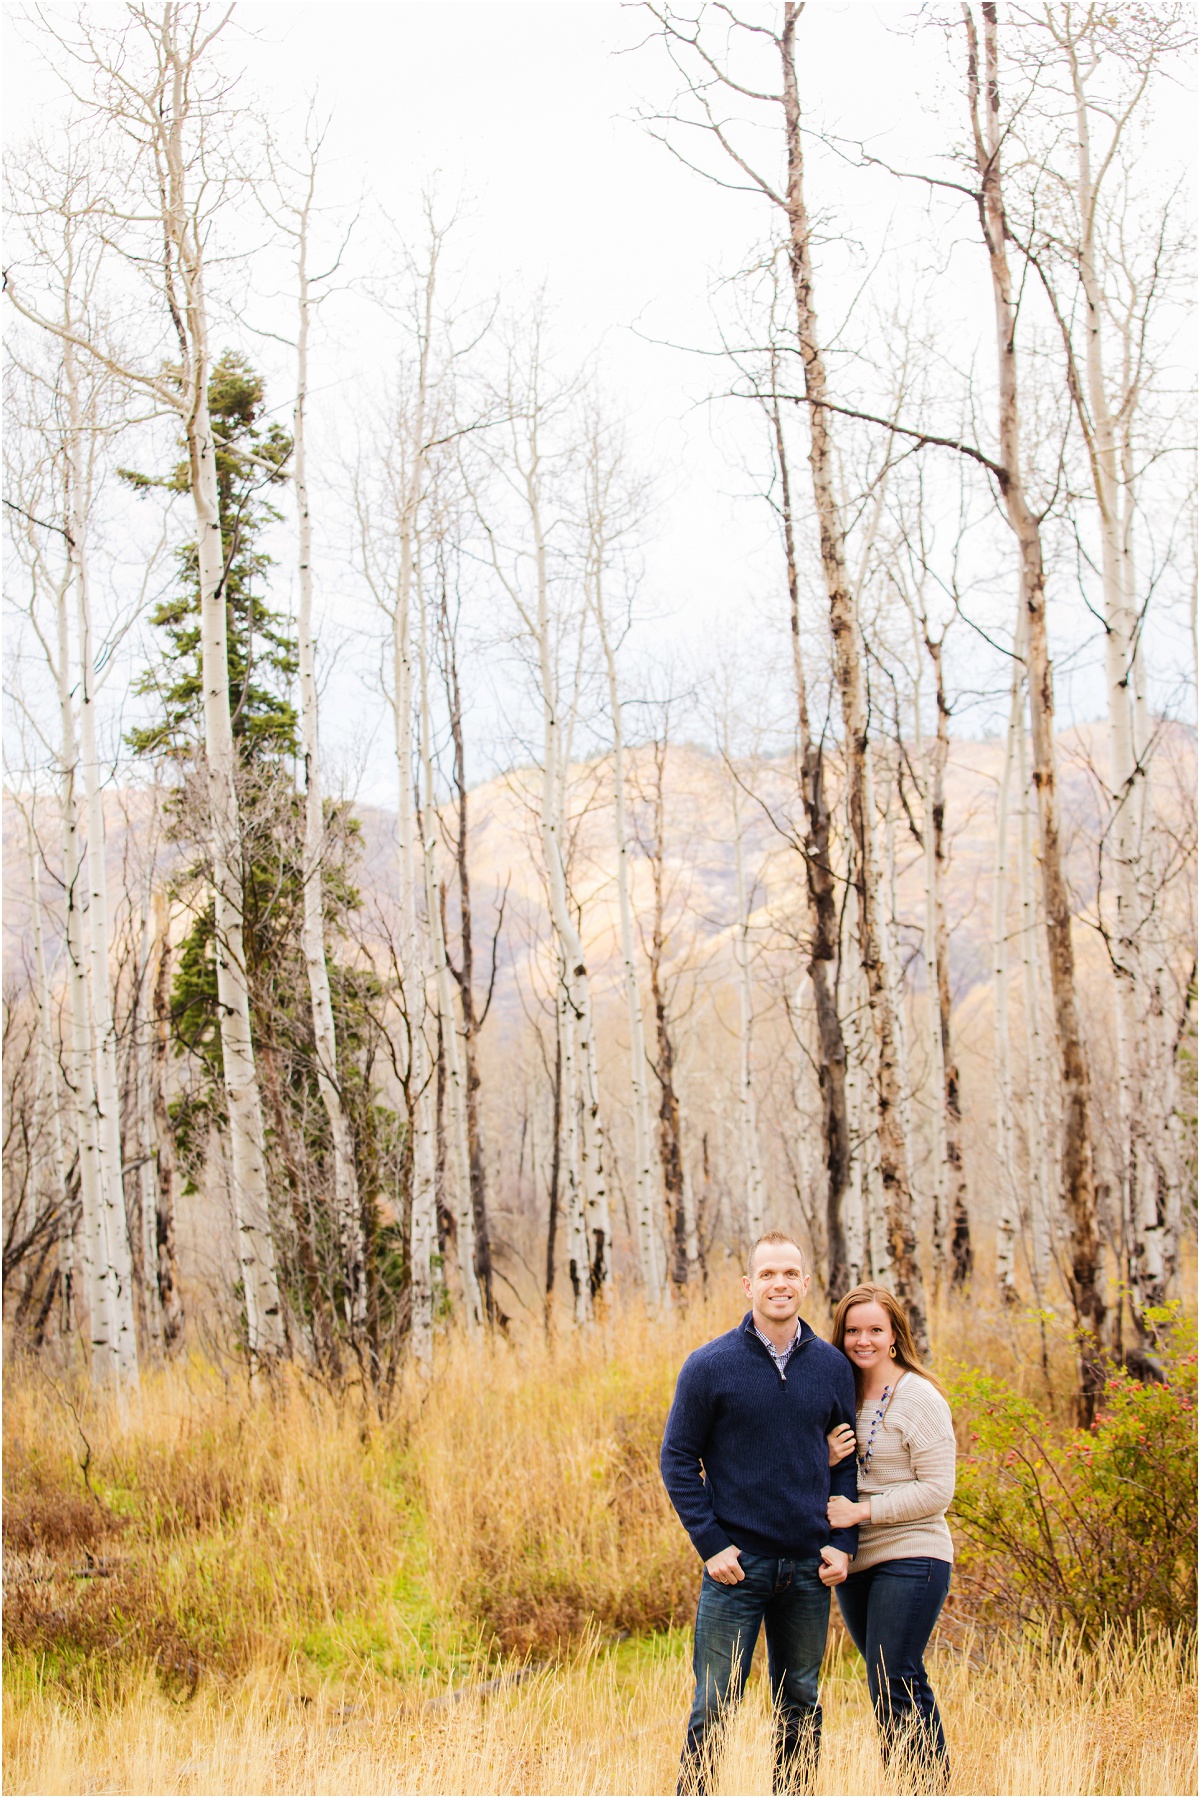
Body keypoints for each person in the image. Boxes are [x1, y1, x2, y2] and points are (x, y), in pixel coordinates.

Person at [660, 1231, 859, 1796]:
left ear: (805, 1283)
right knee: (713, 1707)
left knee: (800, 1703)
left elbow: (845, 1458)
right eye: (768, 1274)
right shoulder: (709, 1365)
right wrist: (711, 1543)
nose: (780, 1284)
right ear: (749, 1285)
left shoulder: (830, 1366)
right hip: (736, 1570)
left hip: (806, 1569)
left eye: (790, 1274)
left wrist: (842, 1545)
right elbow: (677, 1459)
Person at [825, 1283, 956, 1790]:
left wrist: (864, 1512)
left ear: (894, 1337)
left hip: (913, 1550)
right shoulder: (840, 1397)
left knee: (894, 1671)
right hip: (856, 1563)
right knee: (883, 1682)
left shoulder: (919, 1397)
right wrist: (829, 1459)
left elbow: (937, 1491)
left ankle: (927, 1786)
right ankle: (909, 1782)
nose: (863, 1340)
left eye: (875, 1330)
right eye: (853, 1331)